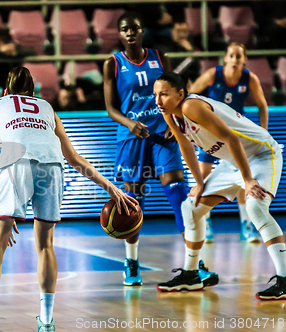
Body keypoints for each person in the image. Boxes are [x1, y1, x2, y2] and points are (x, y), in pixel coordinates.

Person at [0, 66, 138, 332]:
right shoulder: (47, 108)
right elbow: (73, 158)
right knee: (45, 246)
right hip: (52, 167)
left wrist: (3, 210)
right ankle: (46, 321)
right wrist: (109, 186)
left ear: (4, 91)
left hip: (14, 164)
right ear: (33, 92)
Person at [103, 11, 217, 287]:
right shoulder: (113, 63)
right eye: (124, 29)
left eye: (134, 28)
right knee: (132, 203)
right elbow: (109, 108)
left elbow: (179, 90)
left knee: (179, 195)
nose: (130, 33)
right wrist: (130, 123)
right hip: (132, 138)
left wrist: (176, 118)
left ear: (142, 31)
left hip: (164, 135)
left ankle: (194, 263)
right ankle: (131, 263)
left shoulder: (159, 57)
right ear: (119, 34)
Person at [154, 72, 286, 300]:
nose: (158, 101)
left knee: (255, 208)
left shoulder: (190, 107)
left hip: (262, 155)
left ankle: (284, 278)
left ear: (180, 94)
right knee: (190, 208)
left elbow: (231, 138)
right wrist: (199, 183)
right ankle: (191, 275)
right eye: (155, 95)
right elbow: (185, 147)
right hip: (232, 162)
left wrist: (247, 180)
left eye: (164, 95)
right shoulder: (171, 114)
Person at [189, 42, 269, 243]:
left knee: (244, 177)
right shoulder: (212, 75)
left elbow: (262, 105)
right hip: (211, 133)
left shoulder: (249, 78)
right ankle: (205, 223)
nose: (235, 59)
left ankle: (246, 225)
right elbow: (191, 95)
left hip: (236, 135)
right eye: (231, 56)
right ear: (225, 58)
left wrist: (263, 131)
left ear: (244, 60)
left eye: (239, 56)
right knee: (203, 177)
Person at [0, 27, 36, 100]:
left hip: (12, 88)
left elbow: (32, 53)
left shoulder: (11, 50)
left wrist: (15, 52)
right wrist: (0, 50)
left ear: (1, 41)